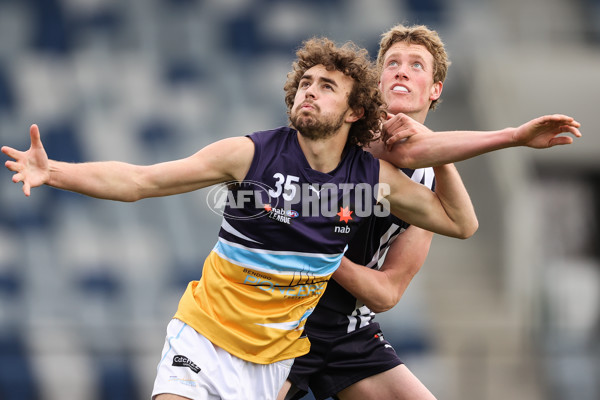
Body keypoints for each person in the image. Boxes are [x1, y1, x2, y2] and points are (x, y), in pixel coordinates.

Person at [2, 37, 479, 400]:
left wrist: (476, 144)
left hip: (308, 338)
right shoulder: (262, 153)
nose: (310, 92)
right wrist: (56, 172)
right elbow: (140, 180)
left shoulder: (384, 178)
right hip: (229, 331)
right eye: (305, 83)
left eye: (326, 86)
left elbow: (445, 239)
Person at [280, 24, 582, 400]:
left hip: (346, 328)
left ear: (435, 89)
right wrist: (514, 137)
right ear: (375, 81)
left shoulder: (425, 175)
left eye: (417, 65)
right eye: (392, 63)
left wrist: (325, 255)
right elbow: (400, 151)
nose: (402, 71)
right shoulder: (346, 131)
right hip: (287, 314)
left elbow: (388, 292)